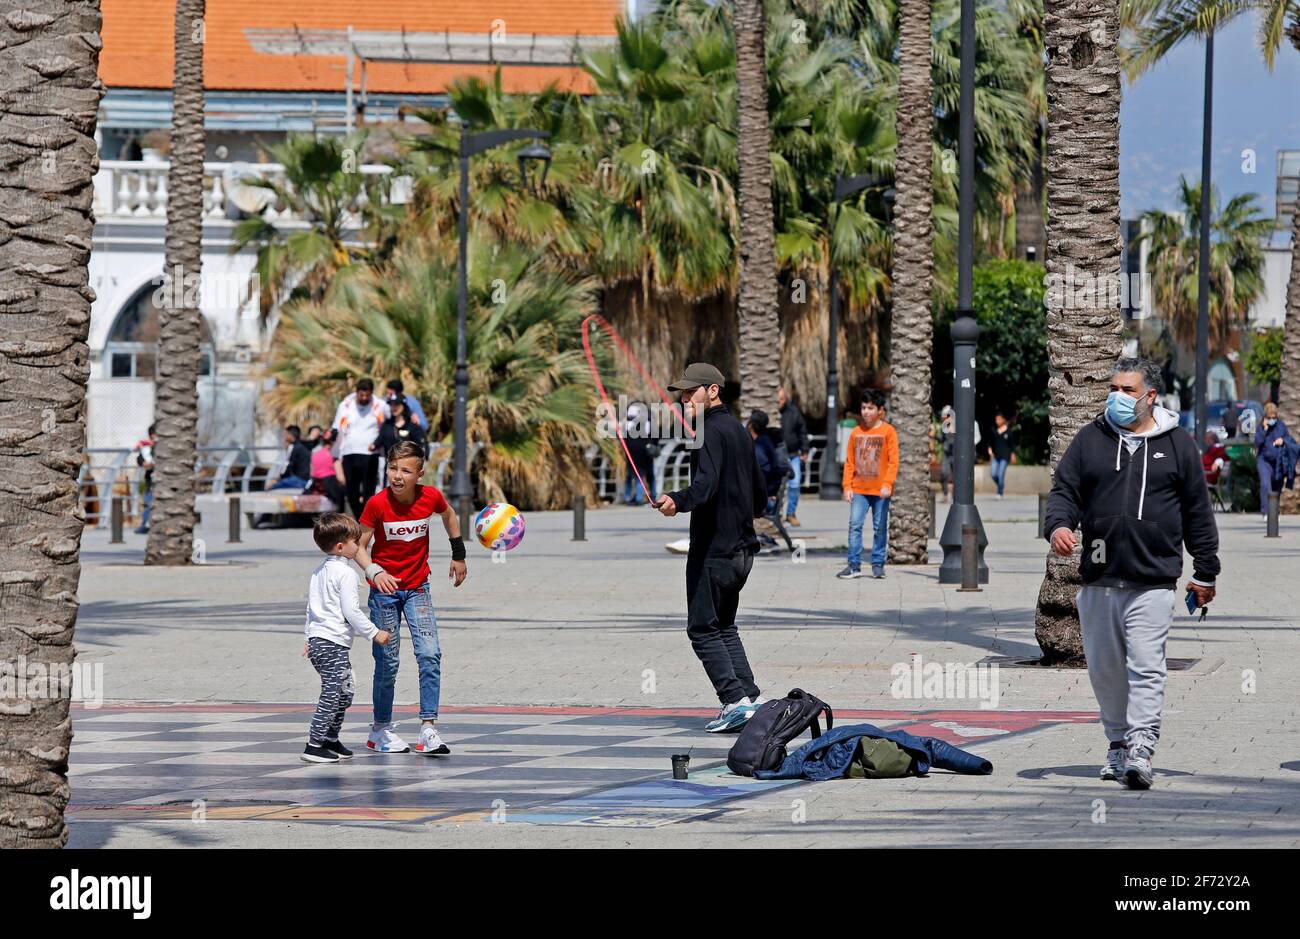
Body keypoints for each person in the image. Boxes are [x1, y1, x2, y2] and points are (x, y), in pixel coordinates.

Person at [1044, 356, 1220, 791]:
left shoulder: (1177, 444)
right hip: (1099, 579)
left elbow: (1198, 513)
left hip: (1152, 581)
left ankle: (1142, 748)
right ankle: (1117, 743)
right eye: (1115, 388)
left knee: (1146, 667)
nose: (1118, 396)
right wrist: (1060, 526)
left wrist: (1205, 573)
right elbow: (1065, 490)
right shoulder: (1091, 440)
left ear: (1150, 396)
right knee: (1105, 670)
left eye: (1128, 389)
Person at [652, 363, 768, 733]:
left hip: (715, 550)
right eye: (682, 393)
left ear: (713, 391)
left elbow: (705, 486)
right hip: (743, 549)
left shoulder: (705, 432)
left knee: (702, 628)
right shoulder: (738, 432)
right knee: (724, 626)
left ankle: (733, 701)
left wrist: (676, 499)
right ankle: (749, 699)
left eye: (691, 392)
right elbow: (761, 499)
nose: (684, 398)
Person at [355, 440, 467, 755]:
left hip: (418, 588)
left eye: (406, 470)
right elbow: (358, 546)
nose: (398, 476)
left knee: (430, 654)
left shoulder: (431, 496)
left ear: (420, 473)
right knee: (388, 662)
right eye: (393, 468)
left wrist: (458, 554)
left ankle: (428, 729)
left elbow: (449, 515)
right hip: (385, 594)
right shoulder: (377, 504)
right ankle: (380, 729)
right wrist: (374, 572)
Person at [301, 513, 392, 764]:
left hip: (323, 641)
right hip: (331, 643)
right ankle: (314, 744)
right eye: (356, 541)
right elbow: (351, 611)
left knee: (345, 691)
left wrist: (309, 636)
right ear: (341, 547)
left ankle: (330, 738)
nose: (360, 544)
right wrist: (375, 633)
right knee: (332, 692)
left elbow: (311, 608)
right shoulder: (347, 574)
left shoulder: (319, 571)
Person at [838, 389, 898, 580]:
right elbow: (849, 462)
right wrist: (847, 486)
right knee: (854, 526)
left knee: (880, 527)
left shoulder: (889, 432)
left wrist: (888, 484)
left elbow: (893, 461)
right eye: (863, 408)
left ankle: (878, 564)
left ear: (880, 410)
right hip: (859, 490)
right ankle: (854, 565)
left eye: (870, 408)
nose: (866, 412)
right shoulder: (856, 433)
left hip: (881, 491)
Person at [332, 378, 388, 518]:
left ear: (371, 393)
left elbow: (391, 422)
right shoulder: (345, 405)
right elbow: (336, 427)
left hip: (370, 453)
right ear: (356, 392)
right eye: (361, 395)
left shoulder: (380, 405)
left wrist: (411, 415)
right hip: (349, 452)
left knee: (369, 491)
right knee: (351, 491)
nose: (364, 398)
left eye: (367, 395)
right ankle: (360, 519)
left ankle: (366, 522)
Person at [748, 410, 794, 552]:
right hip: (768, 497)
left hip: (764, 501)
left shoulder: (759, 447)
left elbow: (760, 476)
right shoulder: (766, 441)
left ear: (750, 426)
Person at [1255, 402, 1297, 516]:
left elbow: (1289, 440)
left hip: (1279, 462)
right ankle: (1266, 512)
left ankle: (1273, 512)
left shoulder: (1281, 426)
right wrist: (1264, 429)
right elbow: (1258, 442)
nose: (1272, 420)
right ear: (1265, 417)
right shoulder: (1261, 428)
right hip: (1264, 461)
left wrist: (1283, 441)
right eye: (1269, 418)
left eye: (1274, 417)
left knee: (1276, 489)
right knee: (1265, 485)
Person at [777, 387, 808, 526]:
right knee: (776, 487)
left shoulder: (794, 412)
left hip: (793, 454)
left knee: (794, 484)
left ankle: (791, 514)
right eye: (777, 399)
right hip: (777, 456)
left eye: (782, 399)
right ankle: (777, 514)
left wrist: (805, 449)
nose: (779, 402)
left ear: (786, 399)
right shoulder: (770, 411)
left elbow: (802, 431)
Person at [621, 402, 656, 506]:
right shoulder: (648, 423)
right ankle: (646, 496)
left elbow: (623, 437)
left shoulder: (628, 424)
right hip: (643, 452)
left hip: (634, 453)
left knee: (635, 476)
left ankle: (634, 498)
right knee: (645, 476)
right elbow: (655, 437)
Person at [307, 429, 346, 508]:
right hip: (330, 489)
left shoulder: (314, 454)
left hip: (315, 487)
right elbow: (341, 479)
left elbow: (311, 473)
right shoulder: (334, 456)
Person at [270, 425, 313, 491]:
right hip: (306, 480)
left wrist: (277, 479)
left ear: (290, 435)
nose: (284, 437)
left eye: (286, 434)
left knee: (271, 487)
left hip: (297, 480)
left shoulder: (293, 447)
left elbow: (287, 466)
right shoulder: (303, 446)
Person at [131, 423, 156, 535]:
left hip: (161, 481)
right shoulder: (147, 447)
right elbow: (140, 458)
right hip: (150, 480)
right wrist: (144, 463)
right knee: (147, 503)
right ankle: (145, 524)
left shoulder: (161, 447)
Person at [985, 411, 1017, 500]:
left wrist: (1013, 454)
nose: (997, 421)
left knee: (1000, 474)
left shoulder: (1009, 431)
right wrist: (990, 451)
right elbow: (989, 443)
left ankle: (999, 493)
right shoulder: (993, 430)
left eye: (999, 419)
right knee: (993, 474)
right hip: (995, 456)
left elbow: (1012, 445)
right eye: (996, 419)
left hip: (1005, 457)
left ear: (1003, 420)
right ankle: (1001, 485)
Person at [937, 405, 956, 503]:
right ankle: (945, 494)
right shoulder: (944, 425)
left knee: (956, 476)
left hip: (956, 454)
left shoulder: (958, 424)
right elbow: (941, 438)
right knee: (944, 473)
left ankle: (954, 496)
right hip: (946, 453)